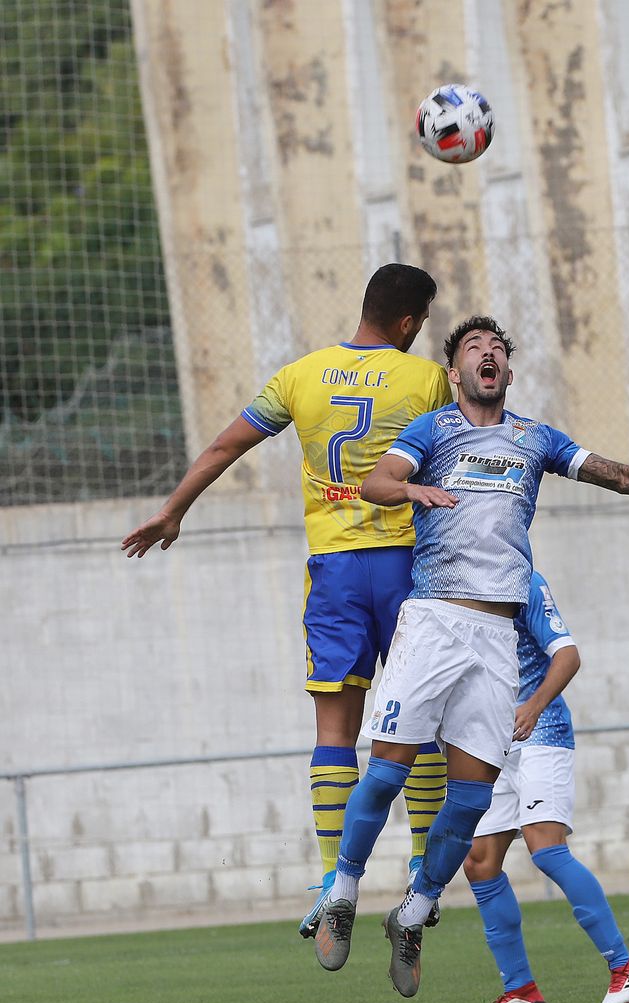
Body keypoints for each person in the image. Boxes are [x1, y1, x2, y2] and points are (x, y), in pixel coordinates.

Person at [313, 315, 629, 998]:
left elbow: (614, 473)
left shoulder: (535, 438)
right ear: (455, 372)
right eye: (475, 348)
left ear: (507, 370)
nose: (489, 354)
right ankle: (343, 891)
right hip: (434, 620)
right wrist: (413, 490)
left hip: (496, 637)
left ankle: (413, 912)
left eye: (498, 349)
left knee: (472, 799)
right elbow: (377, 482)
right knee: (387, 771)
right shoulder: (433, 430)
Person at [120, 263, 454, 937]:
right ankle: (424, 871)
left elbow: (226, 444)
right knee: (416, 722)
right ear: (409, 322)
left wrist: (173, 510)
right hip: (407, 568)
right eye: (420, 324)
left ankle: (333, 880)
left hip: (334, 572)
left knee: (334, 732)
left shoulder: (299, 376)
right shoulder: (426, 380)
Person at [460, 568, 629, 1003]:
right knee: (479, 862)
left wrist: (534, 704)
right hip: (489, 741)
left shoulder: (521, 578)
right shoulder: (447, 583)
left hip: (540, 732)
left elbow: (567, 655)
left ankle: (625, 966)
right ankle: (520, 991)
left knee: (545, 848)